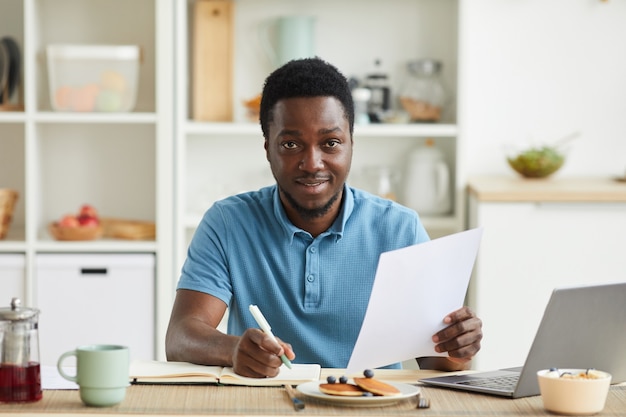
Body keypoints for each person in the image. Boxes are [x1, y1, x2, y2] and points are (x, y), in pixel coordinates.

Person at [166, 57, 482, 378]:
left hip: (369, 404)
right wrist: (232, 349)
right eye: (291, 144)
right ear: (267, 149)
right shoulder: (227, 222)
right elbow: (181, 335)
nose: (313, 163)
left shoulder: (399, 228)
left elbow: (435, 362)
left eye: (330, 143)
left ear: (351, 145)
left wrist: (459, 346)